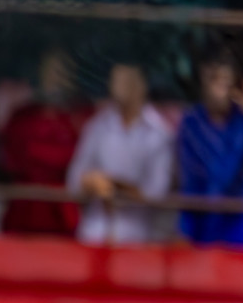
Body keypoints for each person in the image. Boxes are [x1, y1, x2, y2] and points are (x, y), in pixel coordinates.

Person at [176, 50, 243, 249]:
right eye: (212, 79)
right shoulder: (192, 123)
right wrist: (185, 229)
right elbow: (189, 178)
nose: (218, 88)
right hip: (205, 227)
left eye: (224, 81)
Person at [65, 63, 173, 245]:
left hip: (139, 238)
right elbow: (73, 181)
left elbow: (157, 193)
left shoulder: (159, 133)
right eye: (116, 80)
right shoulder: (97, 127)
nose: (119, 86)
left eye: (126, 80)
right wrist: (90, 183)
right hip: (94, 233)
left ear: (141, 85)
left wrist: (115, 186)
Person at [0, 47, 91, 236]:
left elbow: (81, 161)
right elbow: (11, 159)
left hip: (64, 210)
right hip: (24, 206)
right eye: (49, 71)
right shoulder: (22, 116)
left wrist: (38, 154)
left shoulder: (82, 117)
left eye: (61, 73)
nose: (54, 79)